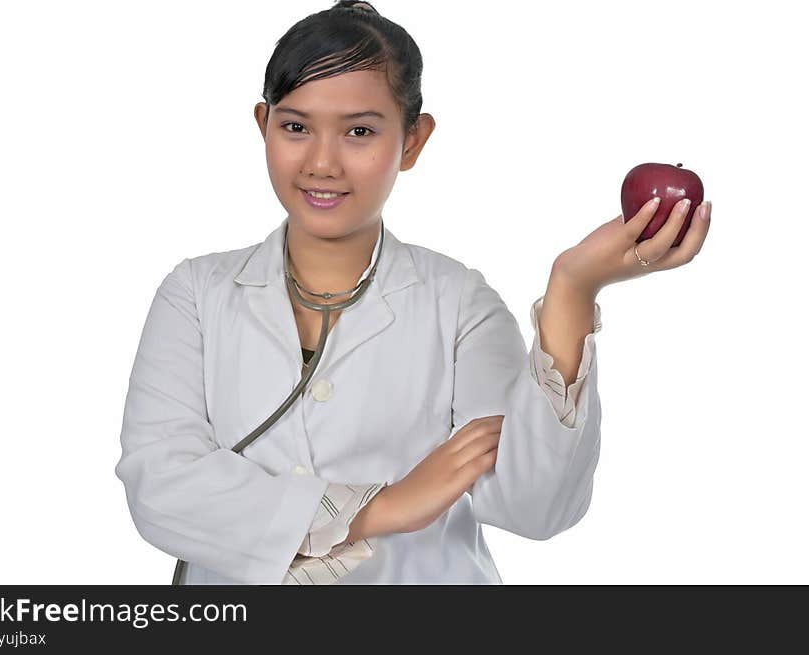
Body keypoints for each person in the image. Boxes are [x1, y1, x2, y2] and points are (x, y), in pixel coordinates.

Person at [114, 0, 712, 585]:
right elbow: (159, 488)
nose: (322, 163)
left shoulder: (458, 305)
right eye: (295, 127)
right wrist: (384, 506)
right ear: (261, 124)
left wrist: (572, 291)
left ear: (413, 142)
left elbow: (536, 508)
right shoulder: (193, 294)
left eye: (359, 132)